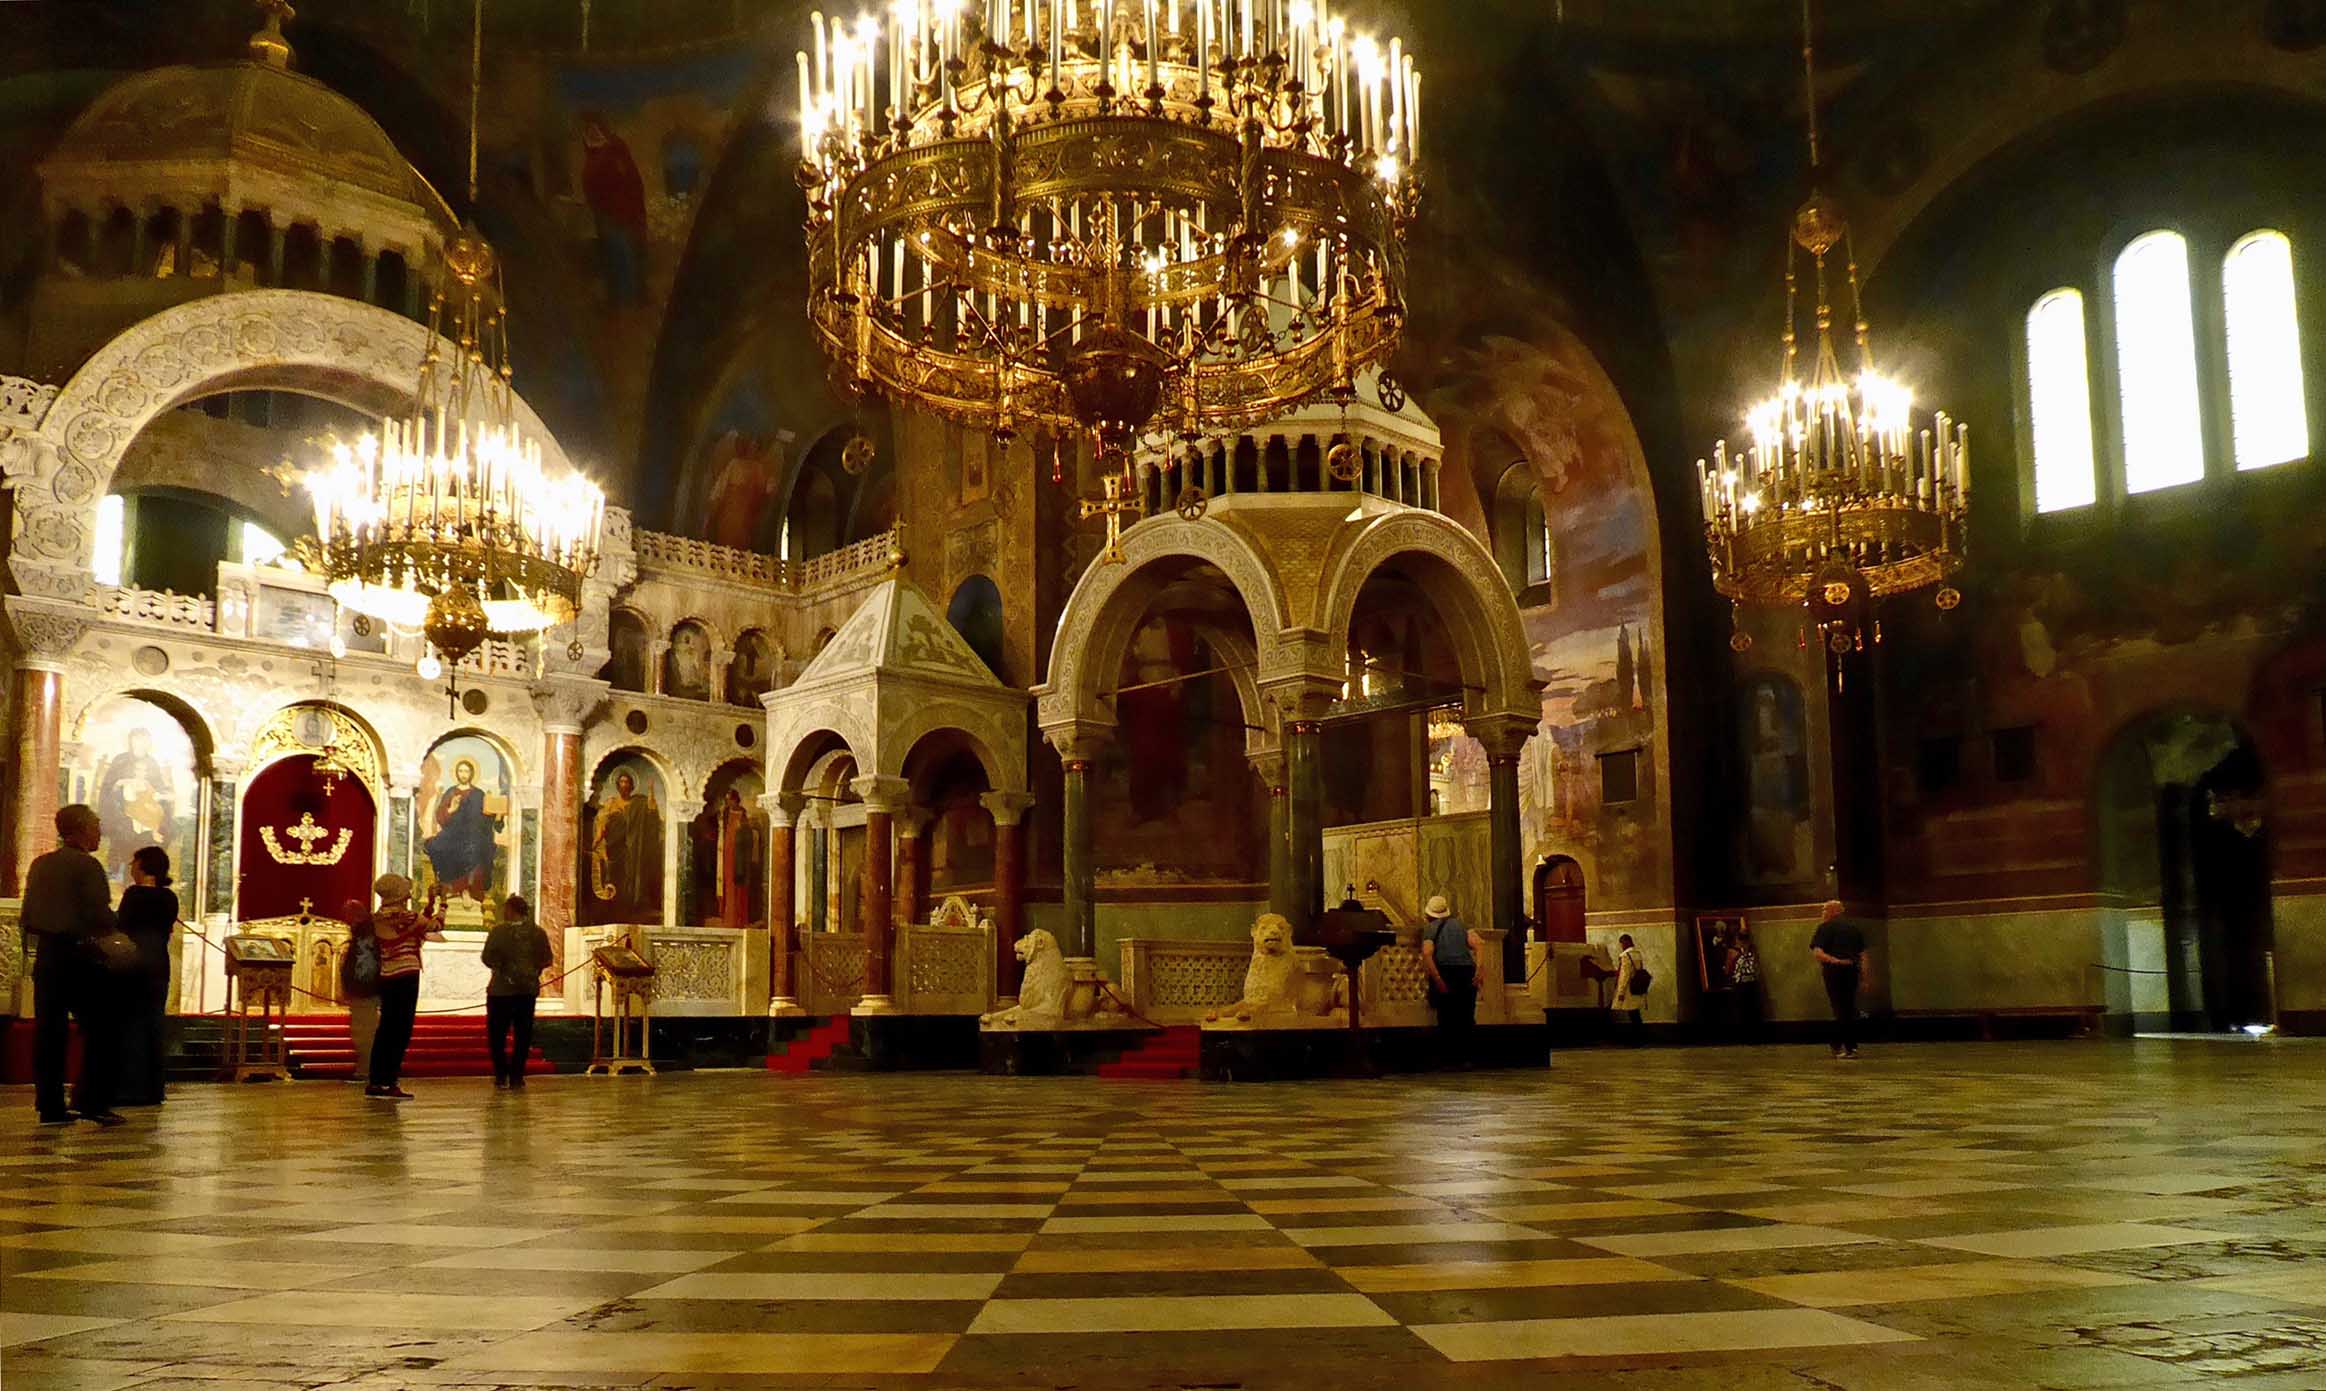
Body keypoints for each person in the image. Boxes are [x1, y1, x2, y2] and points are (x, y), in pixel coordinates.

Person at [21, 805, 123, 1125]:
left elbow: (29, 915)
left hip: (49, 958)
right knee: (103, 1029)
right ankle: (92, 1100)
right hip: (81, 958)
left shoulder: (41, 864)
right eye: (96, 825)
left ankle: (50, 1105)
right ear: (80, 829)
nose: (99, 832)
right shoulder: (87, 866)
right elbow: (99, 916)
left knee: (49, 1033)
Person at [366, 874, 443, 1100]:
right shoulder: (407, 916)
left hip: (386, 975)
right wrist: (443, 903)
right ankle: (390, 1080)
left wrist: (429, 903)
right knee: (401, 1030)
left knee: (386, 1029)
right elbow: (435, 926)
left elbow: (419, 925)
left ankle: (376, 1079)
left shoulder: (378, 917)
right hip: (406, 975)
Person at [114, 846, 178, 1106]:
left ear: (143, 865)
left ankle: (129, 1087)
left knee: (130, 1023)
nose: (130, 866)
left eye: (133, 861)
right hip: (159, 963)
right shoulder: (169, 898)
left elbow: (122, 925)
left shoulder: (134, 894)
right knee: (153, 1023)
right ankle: (152, 1088)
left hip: (134, 962)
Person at [480, 894, 554, 1090]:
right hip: (526, 990)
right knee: (523, 1034)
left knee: (497, 1034)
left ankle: (501, 1074)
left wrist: (503, 969)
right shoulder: (538, 933)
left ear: (511, 910)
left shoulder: (498, 932)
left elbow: (487, 957)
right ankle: (517, 1075)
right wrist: (531, 972)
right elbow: (546, 958)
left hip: (501, 991)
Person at [1419, 894, 1485, 1062]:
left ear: (1429, 914)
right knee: (1466, 1016)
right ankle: (1467, 1058)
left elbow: (1427, 954)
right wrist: (1479, 970)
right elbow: (1479, 944)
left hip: (1446, 972)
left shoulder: (1430, 928)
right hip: (1467, 971)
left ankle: (1449, 1058)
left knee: (1447, 1017)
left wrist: (1438, 979)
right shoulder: (1462, 925)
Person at [1810, 899, 1869, 1059]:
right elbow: (1863, 955)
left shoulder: (1824, 928)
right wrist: (1864, 978)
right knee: (1848, 1007)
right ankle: (1841, 1044)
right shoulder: (1854, 929)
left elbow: (1818, 952)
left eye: (1824, 910)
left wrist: (1835, 961)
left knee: (1839, 1008)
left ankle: (1847, 1046)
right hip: (1852, 971)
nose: (1822, 913)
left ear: (1833, 912)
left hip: (1834, 972)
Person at [338, 898, 380, 1085]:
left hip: (365, 990)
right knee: (362, 1031)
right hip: (363, 990)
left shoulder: (366, 936)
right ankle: (366, 1067)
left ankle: (366, 1069)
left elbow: (364, 964)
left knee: (364, 1032)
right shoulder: (363, 934)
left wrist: (353, 987)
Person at [1610, 932, 1648, 1038]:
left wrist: (1620, 991)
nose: (1621, 946)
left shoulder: (1625, 956)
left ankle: (1637, 1037)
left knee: (1632, 1014)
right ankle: (1640, 1035)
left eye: (1621, 943)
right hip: (1637, 986)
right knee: (1635, 1013)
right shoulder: (1637, 953)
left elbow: (1624, 975)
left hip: (1628, 988)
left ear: (1626, 942)